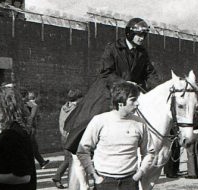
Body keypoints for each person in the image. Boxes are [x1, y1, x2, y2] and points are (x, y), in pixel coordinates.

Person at [62, 17, 157, 153]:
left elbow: (150, 74)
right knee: (92, 116)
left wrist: (161, 88)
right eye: (139, 35)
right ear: (130, 33)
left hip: (132, 93)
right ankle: (81, 148)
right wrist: (123, 83)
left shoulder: (142, 53)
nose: (142, 38)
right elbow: (106, 72)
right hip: (109, 90)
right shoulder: (113, 48)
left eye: (144, 35)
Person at [52, 88, 82, 189]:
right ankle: (70, 183)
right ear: (78, 98)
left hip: (64, 135)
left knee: (68, 159)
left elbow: (61, 122)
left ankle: (58, 177)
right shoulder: (76, 109)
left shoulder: (64, 107)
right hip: (72, 136)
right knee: (72, 160)